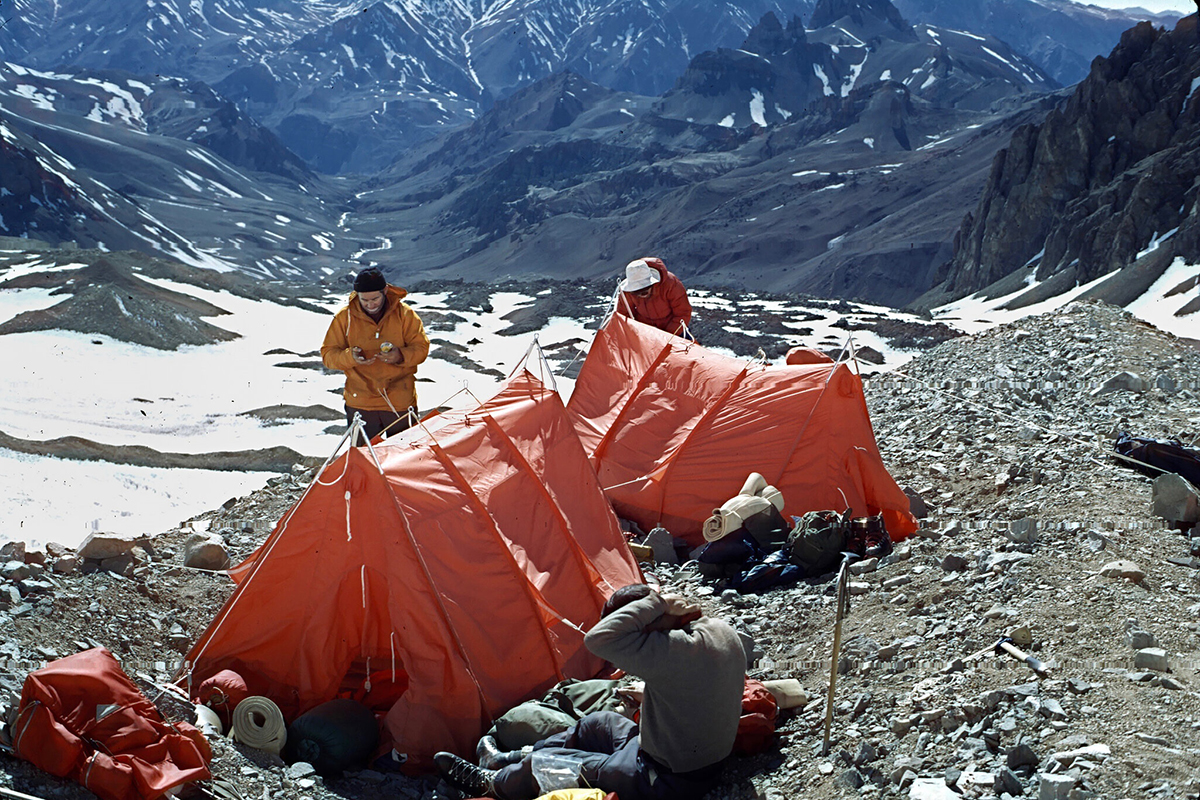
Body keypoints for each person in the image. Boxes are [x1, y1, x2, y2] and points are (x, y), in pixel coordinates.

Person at [434, 584, 746, 800]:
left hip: (667, 779)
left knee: (550, 766)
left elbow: (598, 640)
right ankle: (512, 759)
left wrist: (657, 603)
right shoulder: (717, 630)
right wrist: (661, 607)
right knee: (598, 723)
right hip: (676, 753)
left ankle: (494, 785)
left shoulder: (671, 652)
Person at [321, 267, 430, 440]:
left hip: (399, 401)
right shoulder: (345, 318)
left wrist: (400, 356)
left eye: (375, 299)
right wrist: (350, 358)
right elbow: (328, 355)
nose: (370, 304)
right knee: (365, 459)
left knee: (404, 457)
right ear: (356, 295)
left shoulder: (405, 314)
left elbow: (421, 348)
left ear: (385, 291)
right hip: (360, 403)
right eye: (364, 300)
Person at [615, 257, 694, 339]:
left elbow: (682, 312)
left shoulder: (671, 284)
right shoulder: (626, 292)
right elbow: (623, 315)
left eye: (645, 290)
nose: (641, 294)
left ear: (652, 284)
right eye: (636, 292)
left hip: (673, 331)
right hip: (645, 333)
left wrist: (667, 336)